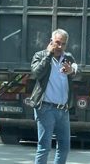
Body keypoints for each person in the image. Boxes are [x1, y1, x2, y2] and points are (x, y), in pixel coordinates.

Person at [30, 29, 78, 164]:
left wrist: (71, 71)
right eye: (57, 43)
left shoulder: (68, 58)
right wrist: (48, 55)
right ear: (51, 42)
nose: (60, 47)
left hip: (63, 109)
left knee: (64, 147)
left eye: (63, 44)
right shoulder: (40, 56)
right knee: (44, 147)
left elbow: (77, 71)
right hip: (45, 108)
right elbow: (37, 73)